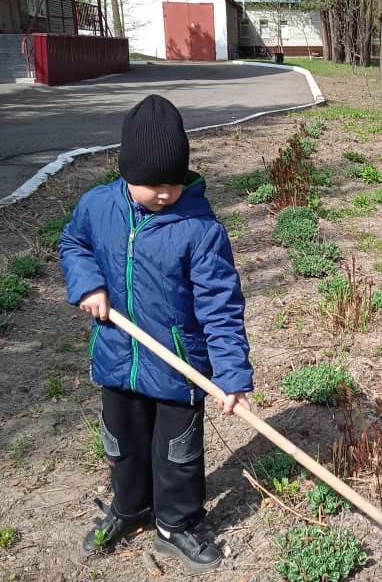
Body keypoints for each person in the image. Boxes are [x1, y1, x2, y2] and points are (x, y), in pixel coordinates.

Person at [60, 94, 253, 573]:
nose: (163, 193)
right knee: (121, 444)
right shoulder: (97, 207)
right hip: (116, 356)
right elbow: (73, 243)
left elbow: (221, 306)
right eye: (150, 184)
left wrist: (231, 374)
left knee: (178, 455)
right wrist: (89, 283)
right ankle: (128, 508)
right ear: (125, 172)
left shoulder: (199, 228)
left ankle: (176, 525)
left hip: (178, 368)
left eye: (172, 182)